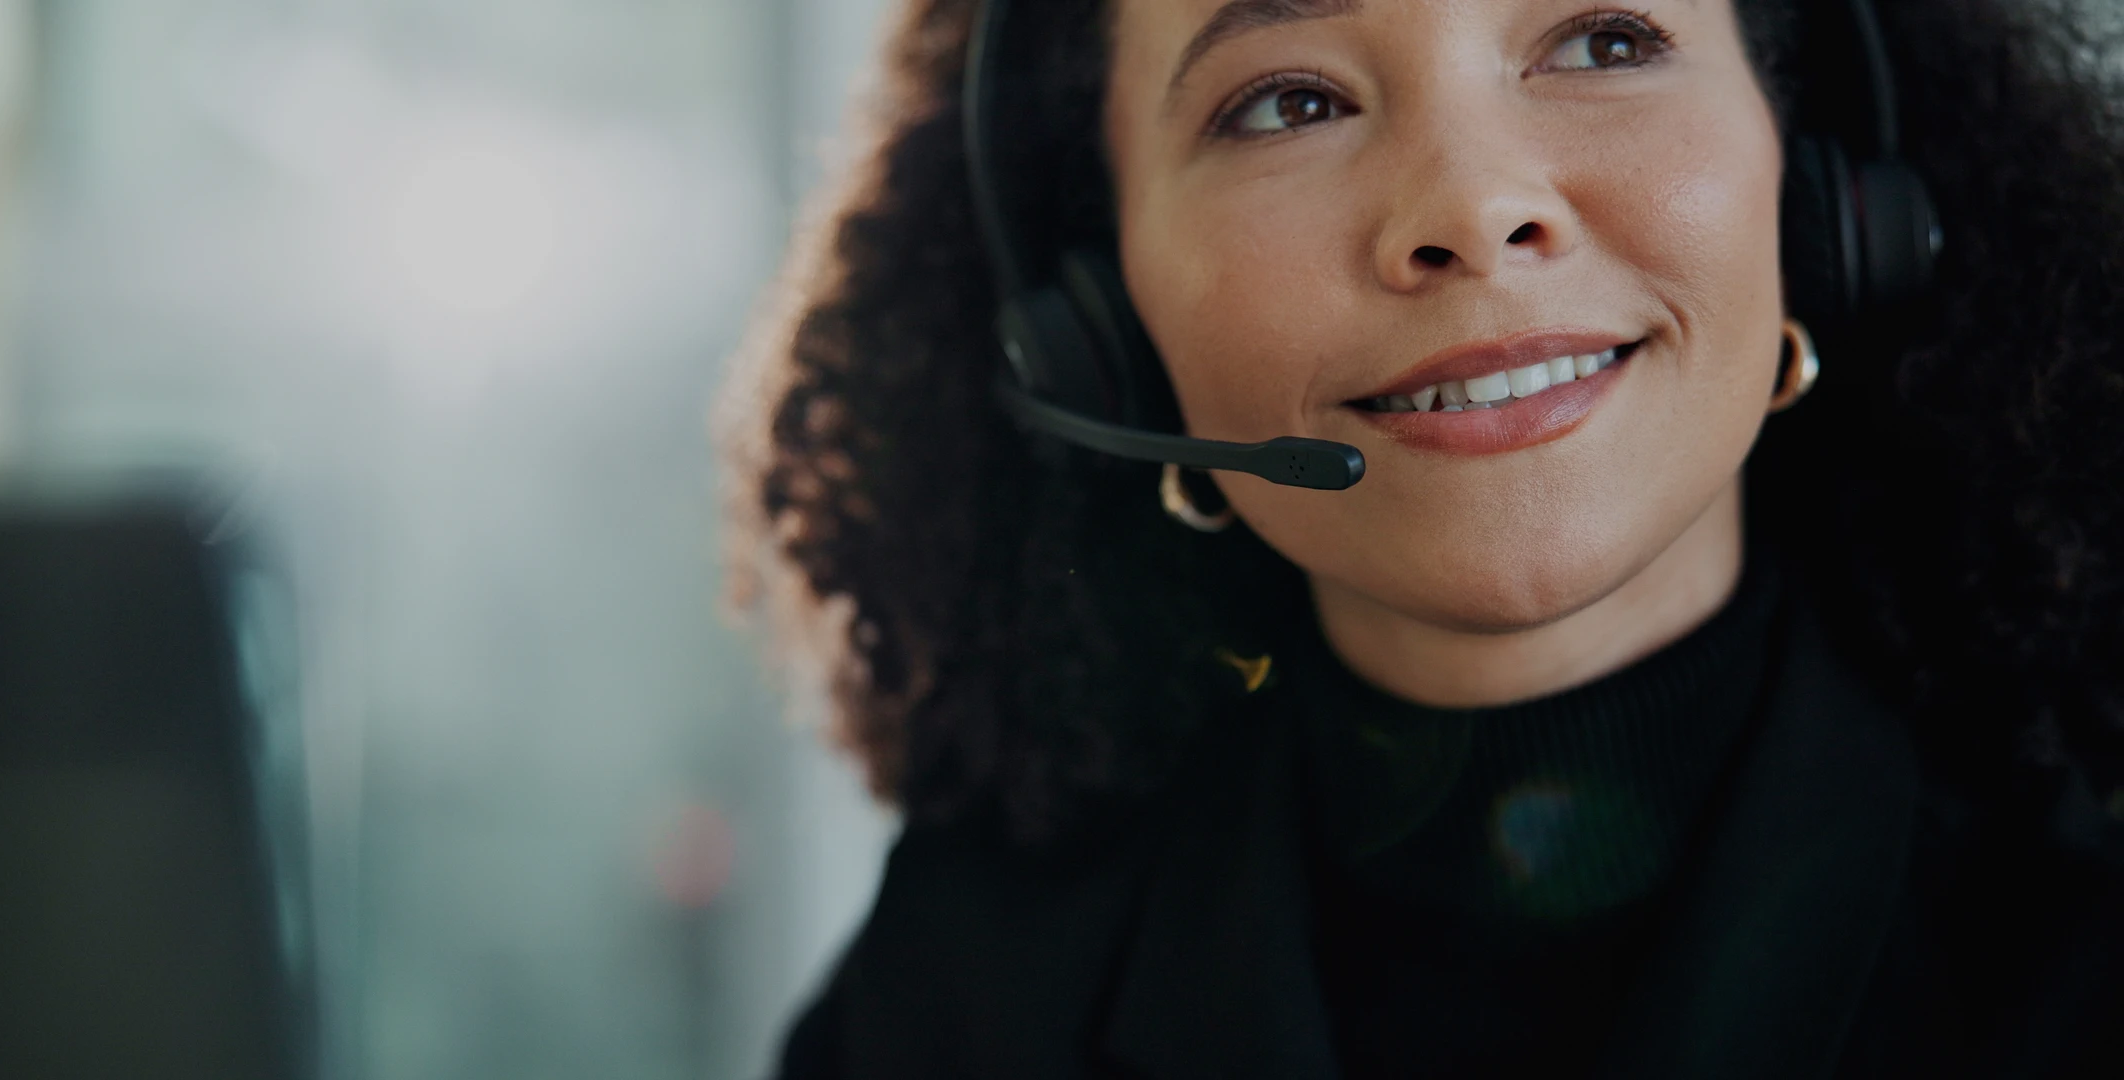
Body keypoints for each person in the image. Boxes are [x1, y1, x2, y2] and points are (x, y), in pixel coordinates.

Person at [722, 0, 2124, 1075]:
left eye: (1605, 37)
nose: (1472, 207)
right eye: (1286, 102)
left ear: (1825, 201)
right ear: (1096, 334)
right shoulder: (967, 994)